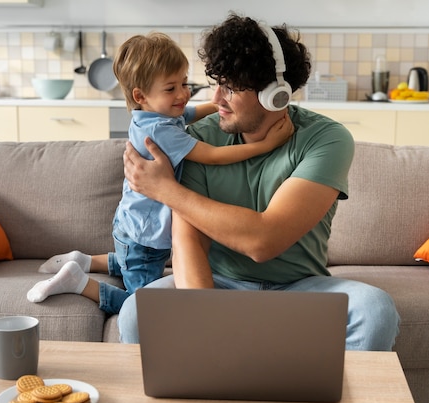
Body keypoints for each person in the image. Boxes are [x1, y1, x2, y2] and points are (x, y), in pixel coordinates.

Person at [118, 13, 400, 351]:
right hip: (217, 285)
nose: (216, 99)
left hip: (300, 288)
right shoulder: (197, 140)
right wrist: (210, 321)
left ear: (274, 94)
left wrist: (167, 191)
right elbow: (187, 245)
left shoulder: (326, 139)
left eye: (231, 88)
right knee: (136, 310)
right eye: (216, 83)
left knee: (375, 310)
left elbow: (263, 241)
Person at [26, 32, 293, 314]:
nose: (182, 94)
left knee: (134, 258)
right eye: (171, 88)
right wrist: (266, 145)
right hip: (144, 231)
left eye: (184, 83)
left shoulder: (157, 113)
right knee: (142, 304)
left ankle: (84, 260)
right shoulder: (159, 130)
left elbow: (193, 111)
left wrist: (227, 101)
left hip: (136, 227)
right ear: (141, 95)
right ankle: (78, 282)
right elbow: (212, 156)